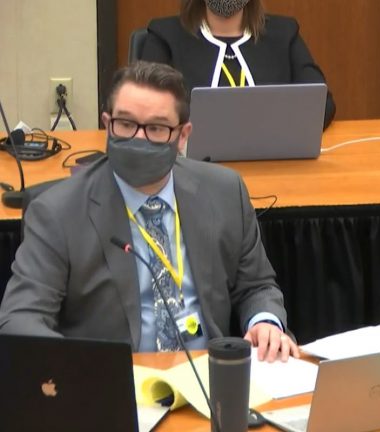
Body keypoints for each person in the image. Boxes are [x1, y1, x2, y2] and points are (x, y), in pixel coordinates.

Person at [0, 61, 299, 362]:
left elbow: (256, 286)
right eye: (126, 124)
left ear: (183, 136)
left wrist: (265, 321)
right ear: (107, 124)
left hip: (208, 374)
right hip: (115, 378)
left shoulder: (224, 192)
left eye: (156, 128)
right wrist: (82, 370)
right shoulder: (58, 212)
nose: (139, 138)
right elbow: (20, 319)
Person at [140, 0, 336, 129]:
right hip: (195, 166)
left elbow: (321, 103)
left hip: (274, 163)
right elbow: (144, 105)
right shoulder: (165, 35)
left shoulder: (285, 33)